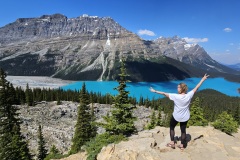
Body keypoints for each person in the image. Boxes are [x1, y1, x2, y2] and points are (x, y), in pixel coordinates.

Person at [149, 74, 209, 150]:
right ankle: (182, 145)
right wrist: (203, 79)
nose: (177, 88)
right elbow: (196, 87)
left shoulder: (175, 96)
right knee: (183, 131)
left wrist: (155, 91)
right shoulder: (189, 95)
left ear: (181, 89)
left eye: (178, 87)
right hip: (185, 117)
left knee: (171, 127)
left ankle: (172, 143)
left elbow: (164, 93)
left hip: (176, 116)